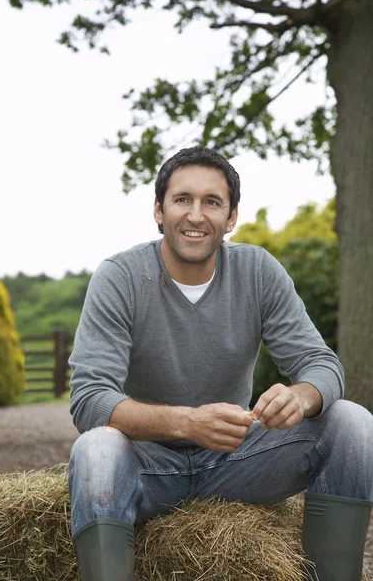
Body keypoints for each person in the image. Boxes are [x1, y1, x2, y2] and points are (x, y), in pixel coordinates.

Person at [68, 146, 373, 581]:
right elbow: (90, 401)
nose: (196, 215)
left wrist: (301, 397)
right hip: (147, 468)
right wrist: (187, 422)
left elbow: (321, 364)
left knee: (353, 422)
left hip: (238, 463)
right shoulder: (120, 277)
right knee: (95, 449)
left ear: (230, 218)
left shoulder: (257, 271)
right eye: (182, 200)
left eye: (212, 202)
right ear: (158, 210)